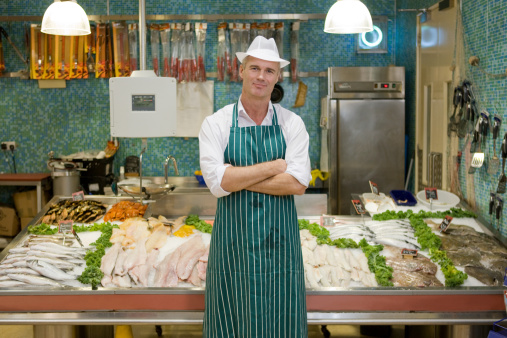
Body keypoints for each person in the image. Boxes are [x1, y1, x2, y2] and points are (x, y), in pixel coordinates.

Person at [199, 35, 311, 337]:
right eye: (254, 68)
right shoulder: (216, 123)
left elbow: (298, 184)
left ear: (277, 77)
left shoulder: (293, 124)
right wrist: (275, 167)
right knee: (230, 324)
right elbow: (217, 183)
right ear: (241, 71)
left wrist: (238, 178)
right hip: (232, 247)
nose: (261, 76)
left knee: (282, 325)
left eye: (269, 71)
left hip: (280, 247)